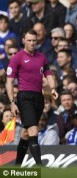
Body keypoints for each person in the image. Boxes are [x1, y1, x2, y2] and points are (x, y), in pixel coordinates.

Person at [6, 29, 59, 165]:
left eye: (34, 41)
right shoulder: (17, 57)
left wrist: (53, 88)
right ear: (24, 41)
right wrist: (12, 102)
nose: (32, 43)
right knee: (34, 130)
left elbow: (48, 74)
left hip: (38, 97)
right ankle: (40, 167)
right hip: (25, 96)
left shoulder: (41, 57)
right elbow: (9, 82)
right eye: (29, 40)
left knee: (25, 133)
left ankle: (17, 166)